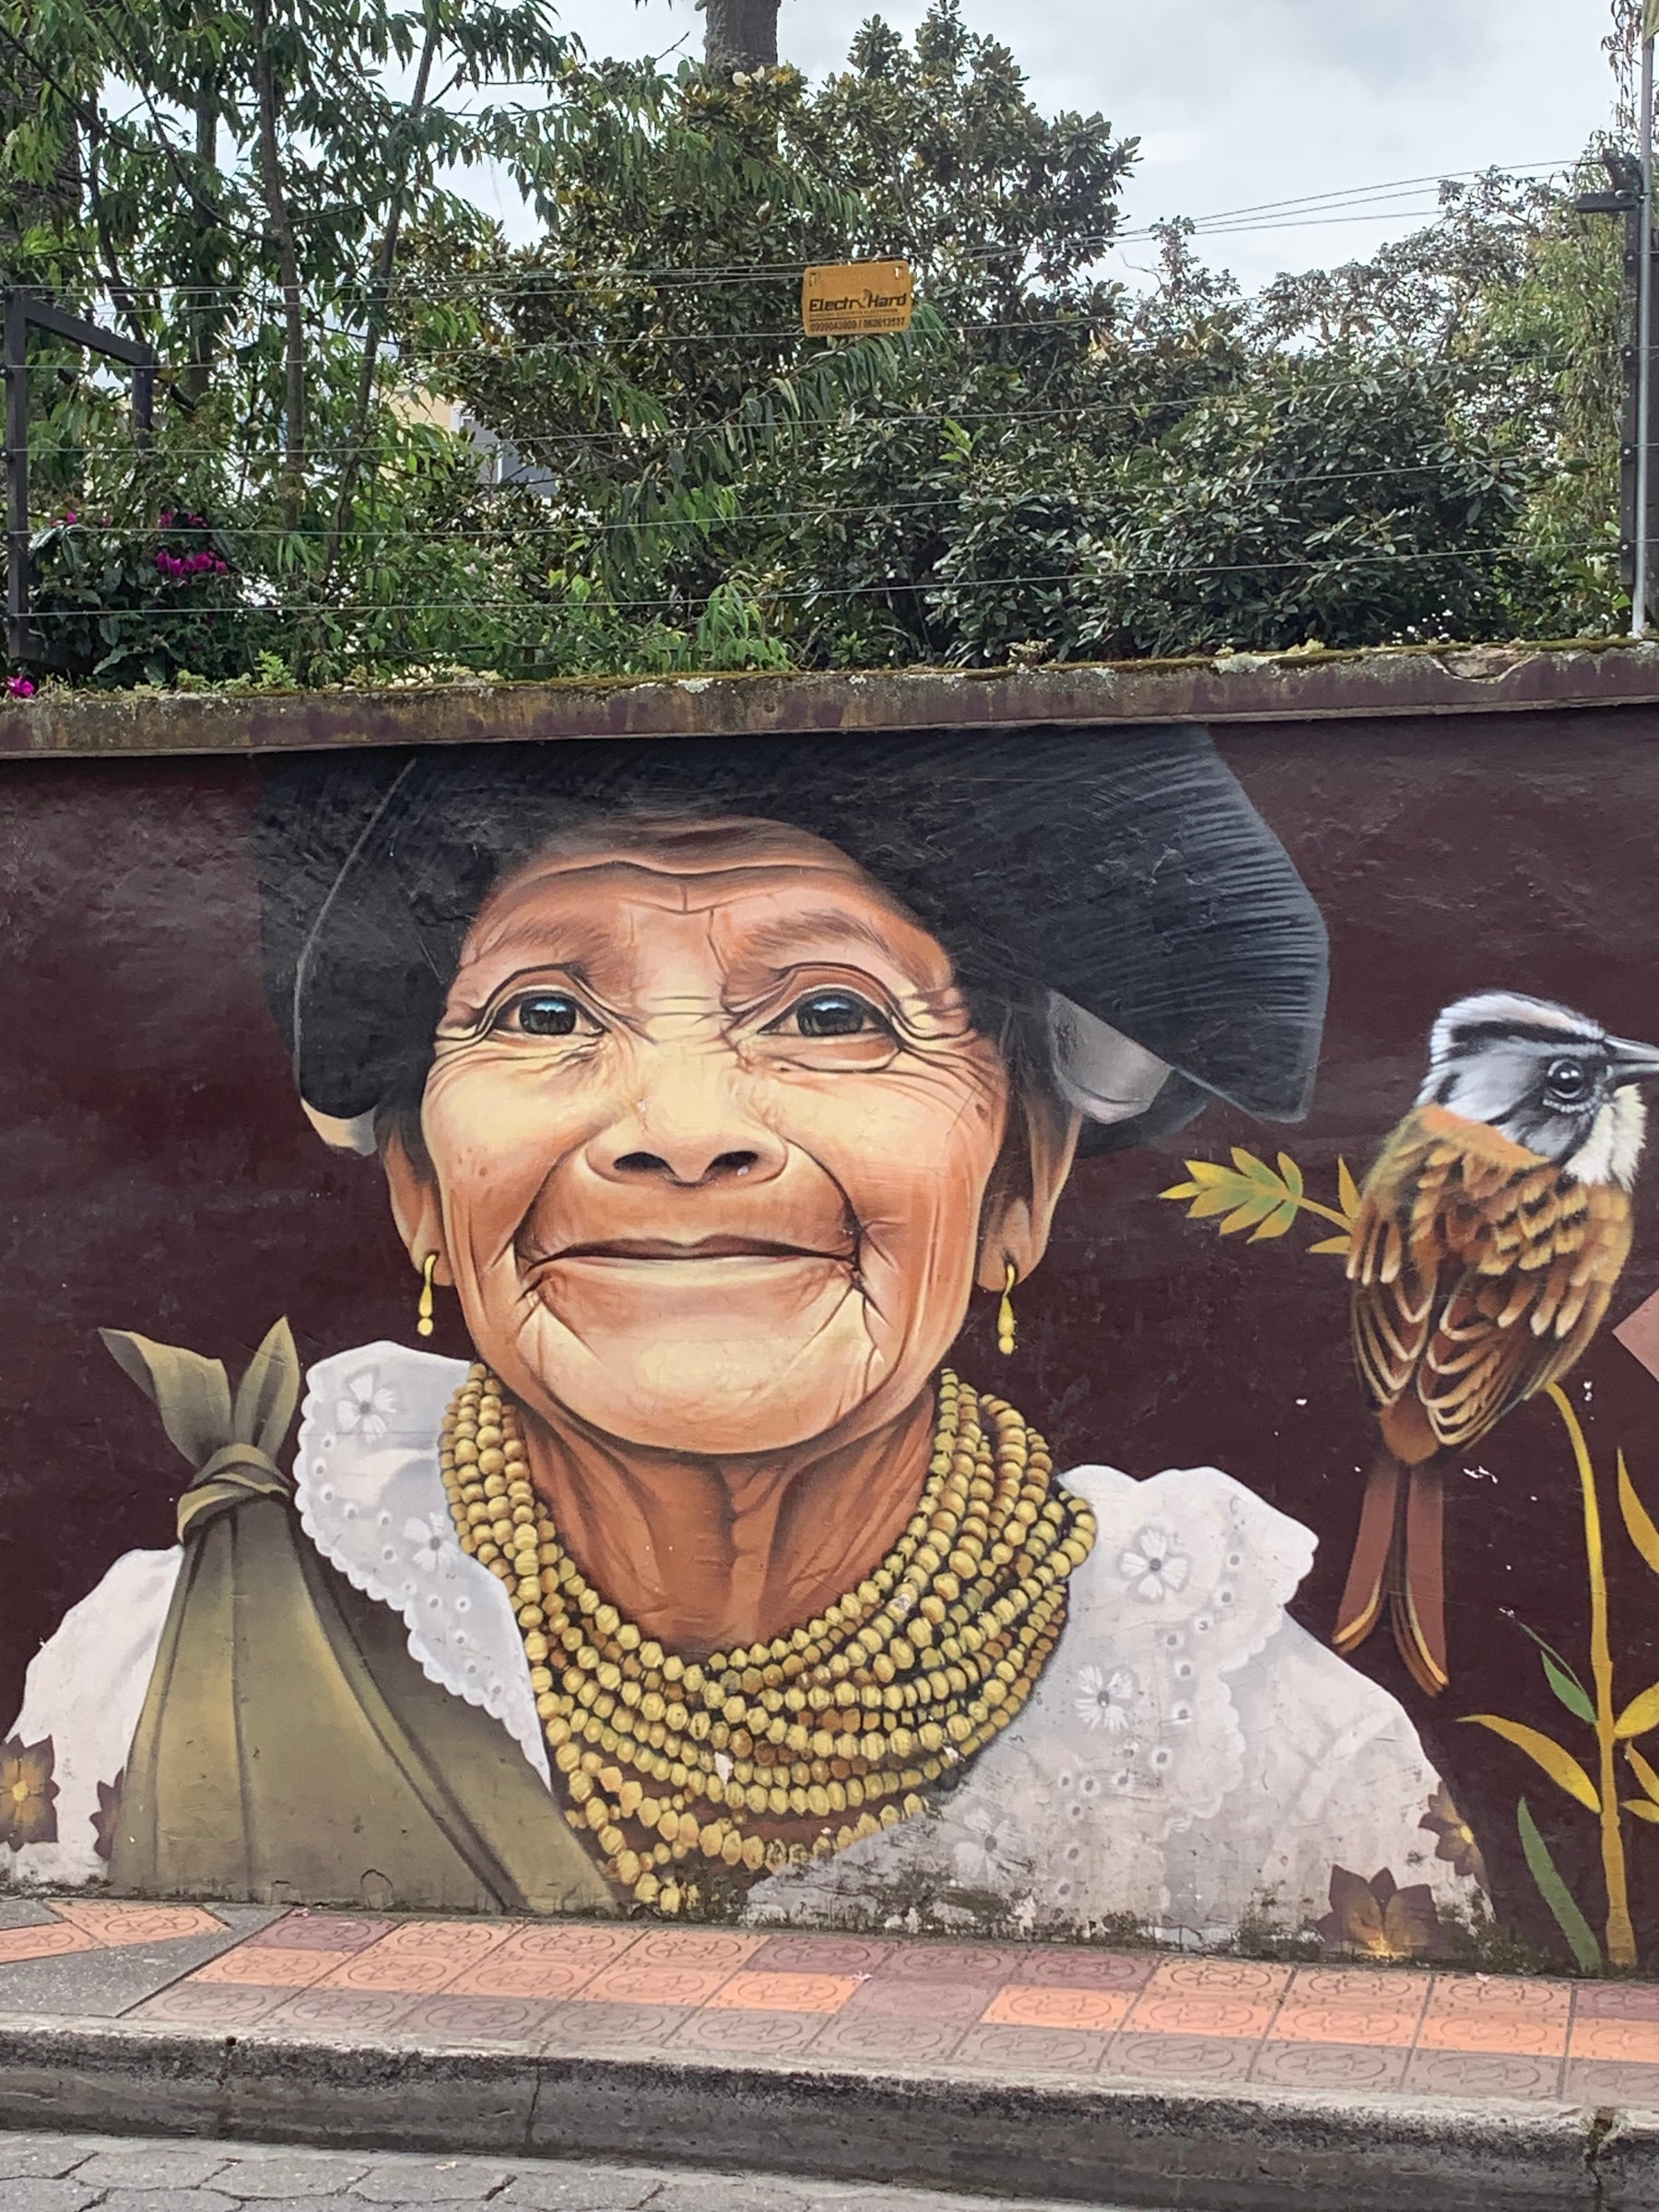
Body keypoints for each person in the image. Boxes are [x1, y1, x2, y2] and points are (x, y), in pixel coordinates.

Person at [3, 727, 1474, 1944]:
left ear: (1020, 1181)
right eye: (543, 1011)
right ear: (422, 1197)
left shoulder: (1259, 1764)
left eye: (832, 1013)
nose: (685, 1132)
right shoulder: (154, 1672)